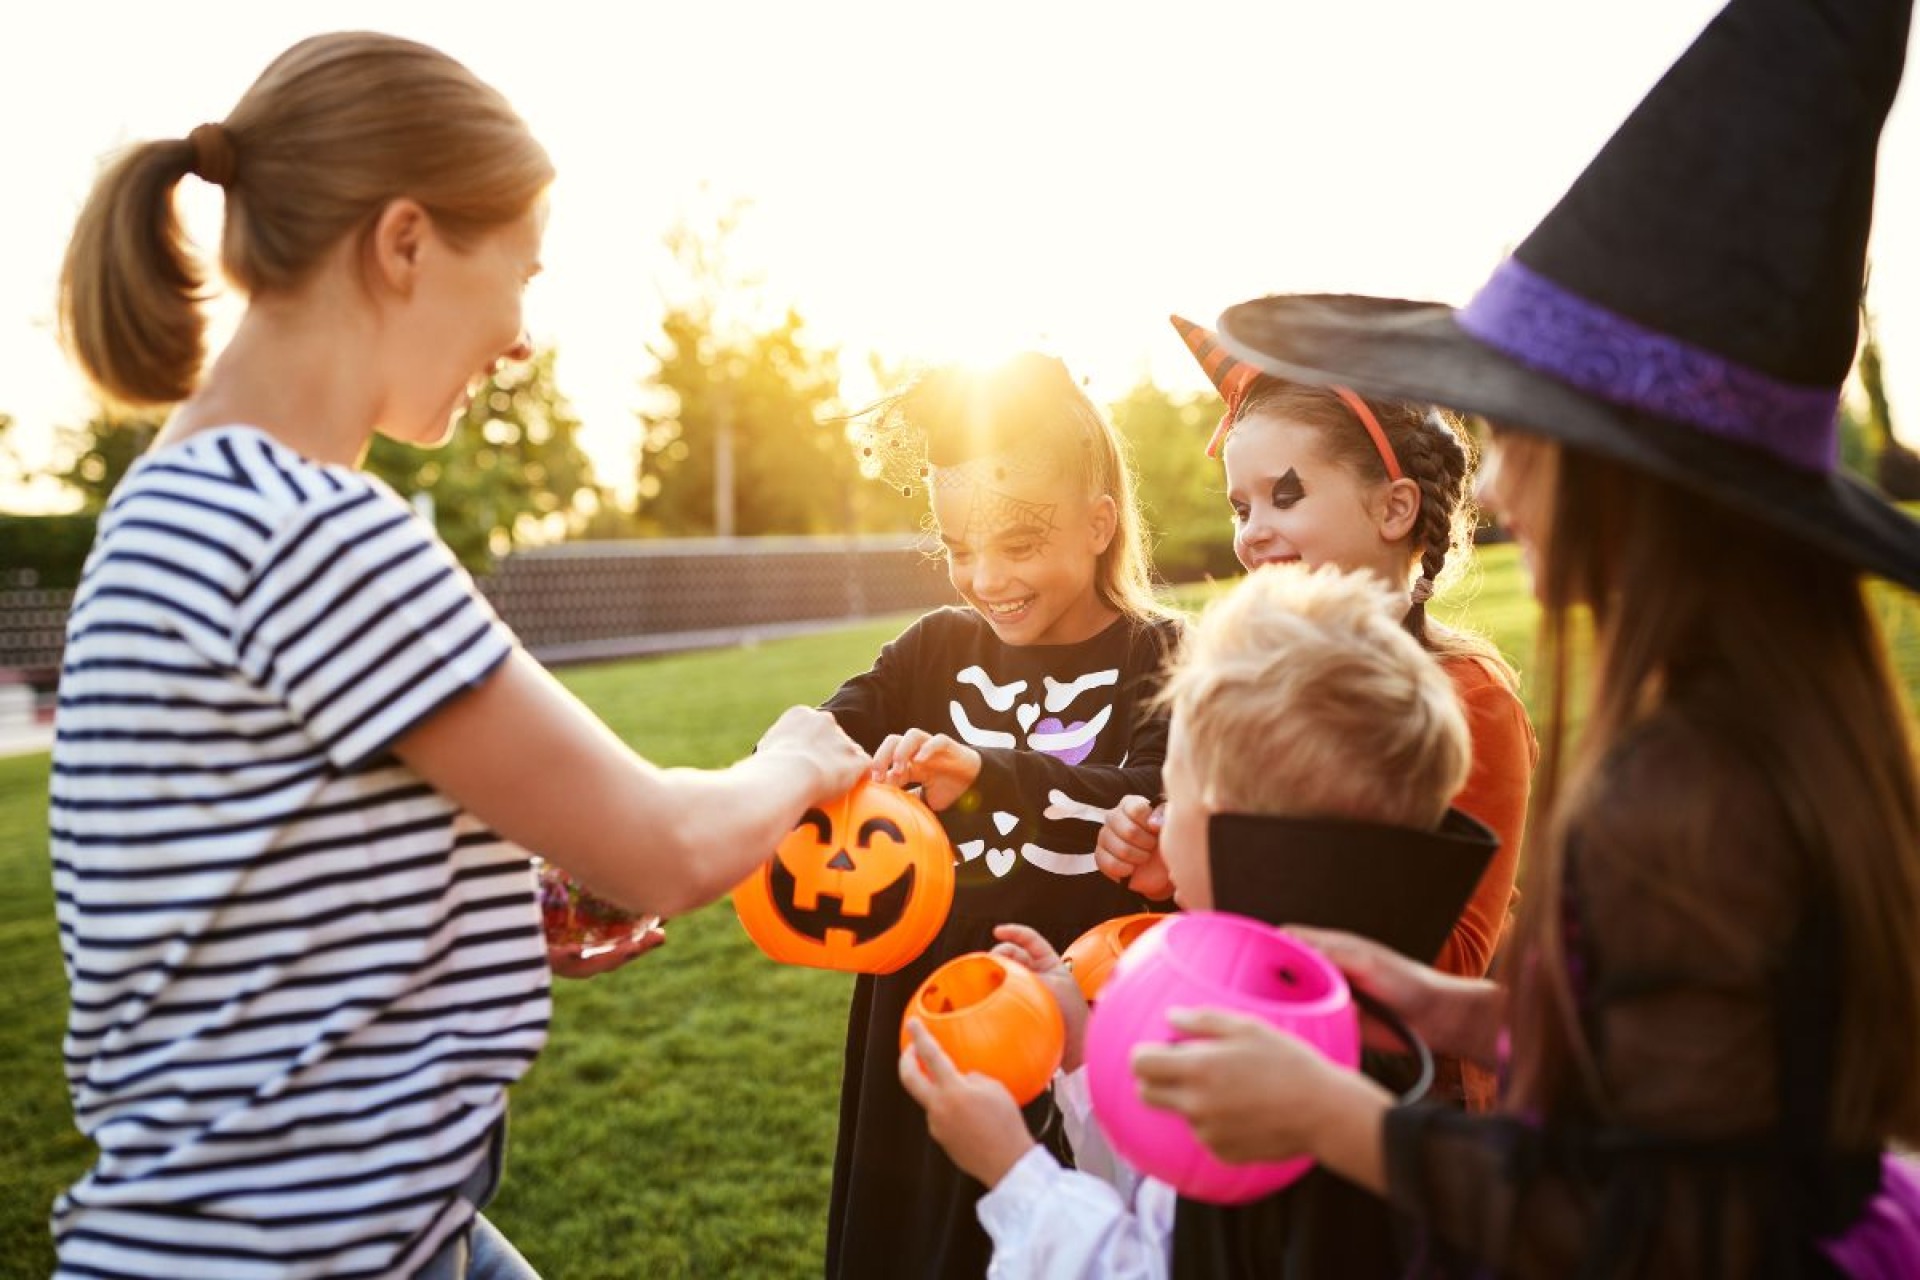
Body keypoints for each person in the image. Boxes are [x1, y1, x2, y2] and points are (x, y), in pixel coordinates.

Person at [48, 32, 867, 1279]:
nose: (524, 338)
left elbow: (230, 881)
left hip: (340, 1229)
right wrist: (798, 758)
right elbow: (663, 844)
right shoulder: (309, 526)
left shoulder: (176, 502)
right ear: (406, 242)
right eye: (523, 274)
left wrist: (486, 903)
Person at [1130, 0, 1920, 1274]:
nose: (1494, 493)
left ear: (1632, 476)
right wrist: (1477, 1017)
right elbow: (1708, 1091)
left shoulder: (1681, 793)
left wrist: (1340, 1119)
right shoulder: (1760, 724)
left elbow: (1670, 1221)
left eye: (1523, 439)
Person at [899, 562, 1489, 1279]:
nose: (1155, 814)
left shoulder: (1273, 1077)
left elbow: (1158, 1265)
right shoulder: (1316, 1006)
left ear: (1234, 835)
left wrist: (1015, 1171)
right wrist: (1087, 1052)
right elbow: (1164, 1179)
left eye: (1173, 794)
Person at [1101, 317, 1536, 1109]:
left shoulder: (1470, 695)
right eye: (1239, 507)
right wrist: (1183, 856)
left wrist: (1244, 870)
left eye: (1285, 495)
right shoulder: (1253, 675)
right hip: (1266, 1064)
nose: (1251, 532)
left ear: (1395, 508)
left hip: (1408, 1103)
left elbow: (1455, 958)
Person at [820, 352, 1183, 1279]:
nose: (985, 576)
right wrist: (784, 764)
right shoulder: (931, 651)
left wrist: (984, 773)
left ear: (1100, 525)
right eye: (958, 546)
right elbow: (818, 735)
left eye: (1017, 544)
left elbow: (1148, 795)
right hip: (924, 1025)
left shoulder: (1166, 658)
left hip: (1079, 1046)